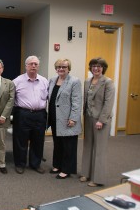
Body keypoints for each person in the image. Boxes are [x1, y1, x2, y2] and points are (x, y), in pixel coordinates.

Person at [80, 57, 115, 187]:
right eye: (94, 66)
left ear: (103, 68)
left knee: (100, 149)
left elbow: (108, 103)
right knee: (87, 146)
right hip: (88, 117)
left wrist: (101, 120)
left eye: (99, 66)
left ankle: (97, 178)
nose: (96, 68)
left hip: (101, 120)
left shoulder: (108, 82)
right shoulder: (87, 81)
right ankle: (86, 173)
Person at [12, 55, 49, 174]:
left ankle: (35, 164)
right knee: (20, 141)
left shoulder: (44, 81)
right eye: (31, 64)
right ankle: (20, 164)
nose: (33, 66)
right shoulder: (17, 81)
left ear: (38, 66)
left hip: (39, 115)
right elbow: (10, 99)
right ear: (26, 66)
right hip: (23, 114)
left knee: (38, 140)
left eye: (36, 64)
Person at [48, 58, 82, 180]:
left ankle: (67, 169)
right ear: (56, 68)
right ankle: (57, 165)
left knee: (69, 145)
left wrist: (73, 118)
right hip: (54, 118)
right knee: (57, 143)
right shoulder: (52, 80)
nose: (61, 69)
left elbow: (77, 102)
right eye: (59, 67)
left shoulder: (74, 81)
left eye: (64, 67)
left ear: (69, 69)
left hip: (67, 119)